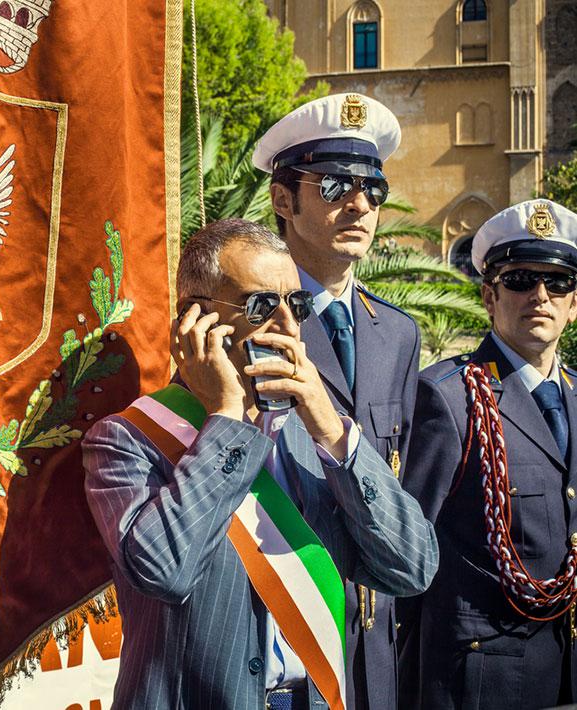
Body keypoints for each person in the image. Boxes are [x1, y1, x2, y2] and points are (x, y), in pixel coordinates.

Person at [82, 218, 437, 710]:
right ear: (197, 321)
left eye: (297, 304)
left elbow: (413, 568)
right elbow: (164, 571)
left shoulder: (318, 435)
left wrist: (335, 434)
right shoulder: (127, 439)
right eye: (261, 306)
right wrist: (227, 417)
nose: (290, 326)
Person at [253, 92, 422, 710]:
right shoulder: (243, 320)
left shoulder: (398, 334)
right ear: (282, 200)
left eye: (373, 189)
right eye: (334, 186)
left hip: (373, 648)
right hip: (282, 644)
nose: (360, 205)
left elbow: (401, 490)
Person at [400, 200, 577, 709]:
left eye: (558, 282)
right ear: (488, 296)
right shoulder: (448, 397)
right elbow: (409, 551)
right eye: (520, 279)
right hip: (478, 680)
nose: (540, 296)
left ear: (573, 302)